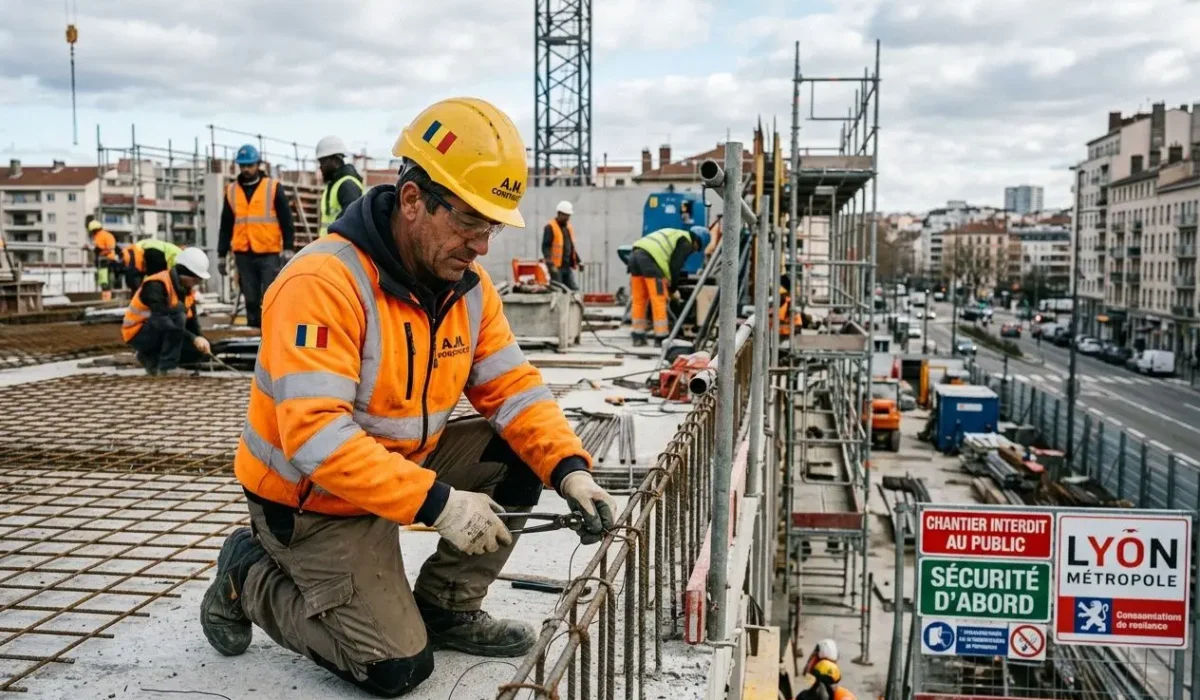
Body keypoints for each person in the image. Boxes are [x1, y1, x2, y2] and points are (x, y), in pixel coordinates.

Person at [199, 97, 619, 698]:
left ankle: (447, 607)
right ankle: (247, 574)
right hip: (312, 501)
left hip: (400, 471)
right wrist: (439, 504)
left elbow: (514, 389)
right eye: (469, 222)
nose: (481, 245)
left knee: (524, 454)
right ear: (414, 199)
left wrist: (570, 468)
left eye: (491, 226)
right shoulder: (323, 283)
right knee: (396, 669)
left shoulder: (467, 288)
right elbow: (316, 437)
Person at [217, 144, 296, 328]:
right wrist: (221, 254)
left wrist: (288, 247)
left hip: (268, 251)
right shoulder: (231, 190)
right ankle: (254, 332)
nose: (246, 169)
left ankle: (273, 331)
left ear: (258, 164)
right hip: (243, 253)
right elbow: (226, 224)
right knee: (250, 298)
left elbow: (286, 220)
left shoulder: (272, 187)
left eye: (250, 165)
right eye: (243, 165)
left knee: (271, 295)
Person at [121, 247, 212, 375]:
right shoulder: (156, 284)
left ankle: (151, 359)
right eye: (197, 279)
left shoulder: (187, 292)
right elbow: (161, 321)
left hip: (160, 330)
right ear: (185, 274)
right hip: (138, 333)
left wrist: (200, 339)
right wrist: (193, 338)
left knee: (197, 351)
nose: (197, 283)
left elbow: (192, 323)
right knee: (178, 316)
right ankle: (167, 367)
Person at [627, 226, 704, 346]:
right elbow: (675, 266)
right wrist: (673, 289)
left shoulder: (676, 234)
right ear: (697, 242)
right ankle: (661, 337)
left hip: (634, 256)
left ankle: (638, 336)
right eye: (696, 249)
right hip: (649, 260)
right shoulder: (686, 242)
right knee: (658, 300)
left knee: (639, 300)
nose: (693, 252)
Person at [315, 135, 364, 237]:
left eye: (322, 162)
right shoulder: (333, 185)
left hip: (339, 245)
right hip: (329, 244)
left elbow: (350, 221)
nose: (320, 167)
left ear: (335, 160)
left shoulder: (347, 185)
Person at [542, 200, 580, 290]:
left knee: (574, 290)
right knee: (558, 290)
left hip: (567, 266)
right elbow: (545, 247)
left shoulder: (568, 227)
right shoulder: (550, 227)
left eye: (569, 216)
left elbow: (571, 247)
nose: (568, 218)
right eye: (566, 215)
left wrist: (578, 261)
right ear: (559, 213)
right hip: (556, 267)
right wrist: (550, 265)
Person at [87, 218, 120, 295]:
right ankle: (105, 293)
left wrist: (101, 253)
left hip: (107, 260)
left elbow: (110, 248)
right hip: (101, 261)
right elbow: (96, 246)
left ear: (95, 229)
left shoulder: (107, 235)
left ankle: (108, 294)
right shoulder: (97, 236)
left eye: (93, 231)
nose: (92, 233)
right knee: (102, 279)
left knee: (106, 280)